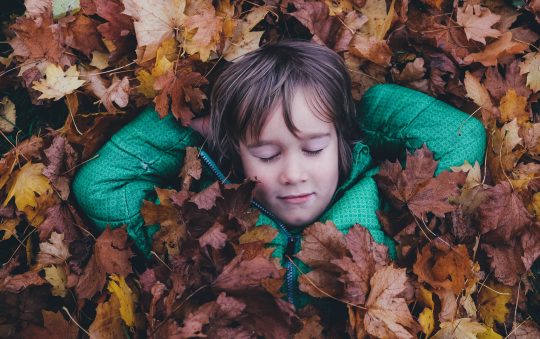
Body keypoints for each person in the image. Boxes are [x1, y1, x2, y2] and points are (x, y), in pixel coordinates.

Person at [71, 40, 486, 308]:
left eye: (314, 148)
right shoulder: (205, 226)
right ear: (237, 157)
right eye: (267, 154)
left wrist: (363, 113)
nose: (293, 173)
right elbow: (100, 186)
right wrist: (190, 127)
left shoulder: (383, 200)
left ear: (340, 143)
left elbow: (462, 138)